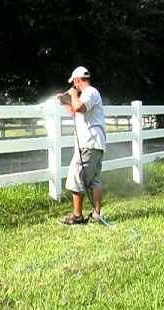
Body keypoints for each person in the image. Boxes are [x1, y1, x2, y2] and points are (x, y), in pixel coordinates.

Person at [56, 66, 106, 225]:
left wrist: (71, 95)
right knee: (94, 180)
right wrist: (65, 101)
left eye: (74, 83)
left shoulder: (89, 92)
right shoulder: (88, 94)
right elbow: (74, 111)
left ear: (78, 80)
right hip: (95, 144)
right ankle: (97, 215)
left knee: (76, 175)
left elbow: (79, 108)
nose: (74, 87)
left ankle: (77, 216)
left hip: (89, 144)